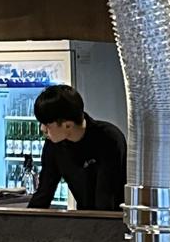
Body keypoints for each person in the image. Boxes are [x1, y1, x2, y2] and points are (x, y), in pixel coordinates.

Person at [27, 84, 127, 212]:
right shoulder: (54, 144)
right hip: (84, 217)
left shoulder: (109, 138)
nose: (42, 129)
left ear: (68, 125)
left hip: (114, 218)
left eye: (47, 124)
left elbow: (106, 197)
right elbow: (44, 192)